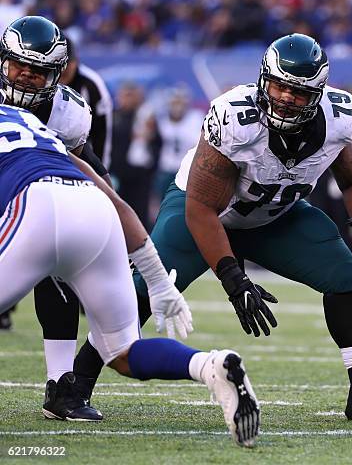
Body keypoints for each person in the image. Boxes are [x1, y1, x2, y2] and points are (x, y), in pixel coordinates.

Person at [71, 33, 352, 424]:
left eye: (298, 92)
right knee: (144, 291)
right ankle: (75, 386)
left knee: (345, 277)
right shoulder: (235, 117)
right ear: (263, 79)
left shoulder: (339, 117)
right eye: (278, 85)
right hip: (200, 211)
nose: (285, 97)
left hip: (274, 216)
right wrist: (233, 279)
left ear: (318, 94)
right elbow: (201, 209)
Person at [0, 101, 259, 447]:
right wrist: (159, 282)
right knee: (122, 352)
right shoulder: (44, 133)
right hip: (94, 210)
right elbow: (119, 206)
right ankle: (210, 366)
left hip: (35, 207)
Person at [0, 15, 188, 422]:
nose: (27, 77)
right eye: (20, 66)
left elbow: (89, 167)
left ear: (58, 74)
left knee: (60, 271)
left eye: (39, 71)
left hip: (41, 197)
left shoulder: (70, 111)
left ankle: (61, 384)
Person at [59, 37, 113, 167]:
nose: (65, 69)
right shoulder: (41, 78)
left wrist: (101, 168)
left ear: (76, 61)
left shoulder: (91, 84)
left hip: (80, 151)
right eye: (61, 64)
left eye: (69, 63)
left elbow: (102, 130)